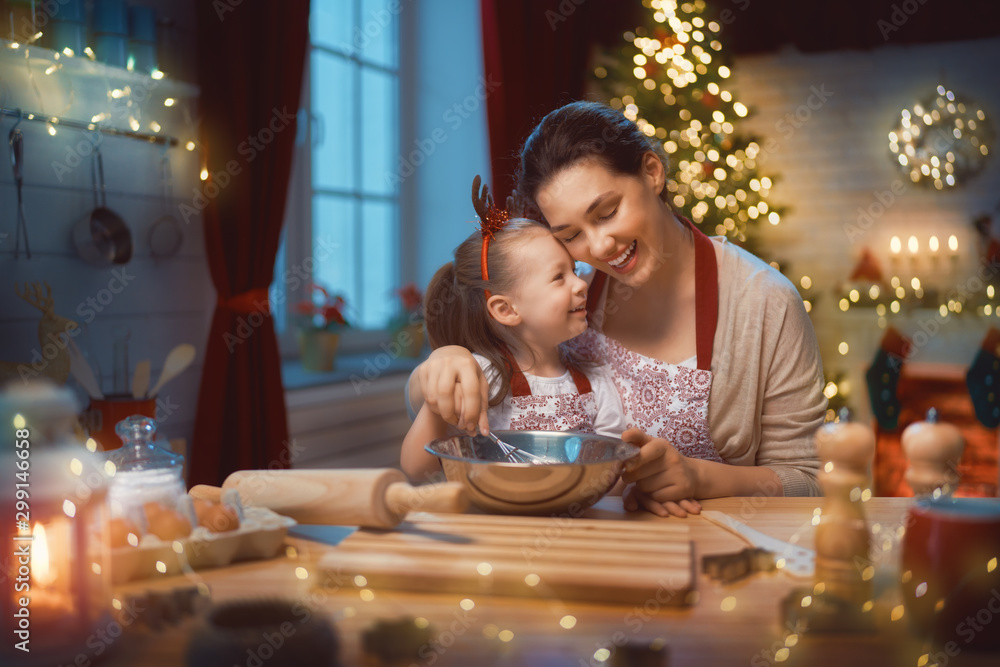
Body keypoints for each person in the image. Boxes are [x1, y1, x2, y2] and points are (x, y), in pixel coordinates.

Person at [408, 101, 827, 516]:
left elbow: (808, 481)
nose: (600, 247)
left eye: (608, 212)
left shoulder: (764, 302)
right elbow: (445, 399)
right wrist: (447, 358)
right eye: (571, 235)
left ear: (652, 172)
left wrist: (703, 479)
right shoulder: (572, 294)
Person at [400, 181, 627, 481]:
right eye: (559, 276)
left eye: (574, 269)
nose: (580, 283)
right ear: (506, 310)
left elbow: (612, 474)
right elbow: (418, 469)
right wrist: (436, 407)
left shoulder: (596, 382)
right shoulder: (478, 378)